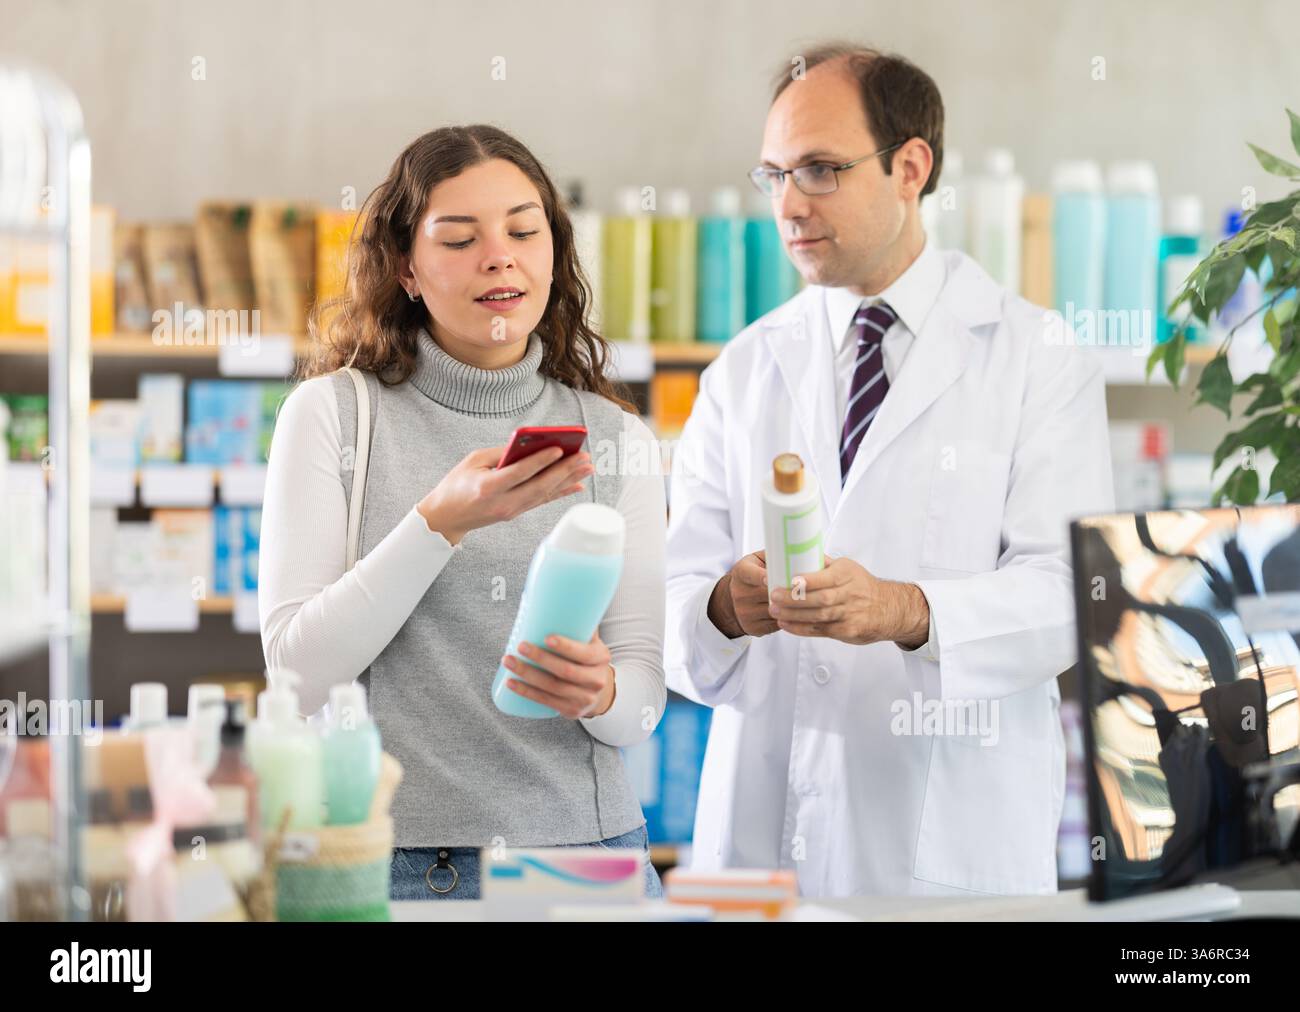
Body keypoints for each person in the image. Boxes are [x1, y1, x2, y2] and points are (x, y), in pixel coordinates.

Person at [664, 43, 1115, 896]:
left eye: (821, 171)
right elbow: (672, 606)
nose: (789, 205)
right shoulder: (744, 369)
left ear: (911, 166)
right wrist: (724, 607)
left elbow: (1071, 596)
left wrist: (906, 611)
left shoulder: (1036, 358)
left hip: (945, 861)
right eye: (774, 176)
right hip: (760, 857)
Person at [259, 124, 666, 899]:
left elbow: (644, 699)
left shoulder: (617, 438)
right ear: (407, 268)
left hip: (581, 858)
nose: (499, 256)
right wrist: (438, 523)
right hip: (388, 863)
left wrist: (603, 693)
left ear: (554, 251)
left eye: (523, 229)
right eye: (459, 238)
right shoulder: (334, 416)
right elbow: (297, 674)